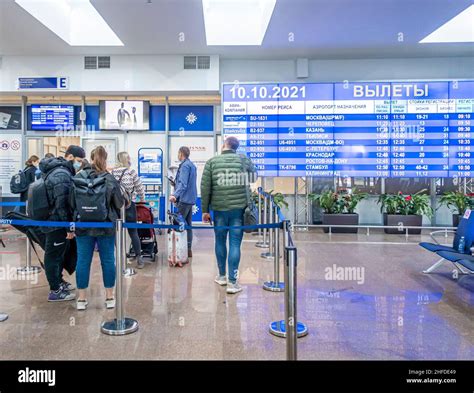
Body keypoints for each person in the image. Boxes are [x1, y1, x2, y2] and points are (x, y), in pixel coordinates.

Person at [201, 137, 257, 294]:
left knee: (219, 241)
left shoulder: (212, 162)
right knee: (234, 244)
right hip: (238, 210)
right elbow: (254, 177)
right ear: (236, 147)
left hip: (219, 209)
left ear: (223, 145)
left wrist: (205, 210)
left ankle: (221, 276)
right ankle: (233, 283)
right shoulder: (243, 159)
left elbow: (205, 187)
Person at [71, 146, 124, 311]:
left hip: (83, 226)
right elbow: (119, 203)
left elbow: (72, 203)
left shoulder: (78, 177)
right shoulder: (109, 178)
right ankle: (109, 297)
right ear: (105, 159)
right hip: (105, 226)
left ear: (91, 158)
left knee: (83, 261)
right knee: (108, 260)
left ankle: (81, 299)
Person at [39, 145, 85, 302]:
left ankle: (58, 281)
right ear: (70, 157)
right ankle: (55, 290)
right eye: (78, 160)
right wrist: (69, 227)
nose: (79, 164)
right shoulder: (61, 174)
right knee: (53, 255)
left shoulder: (58, 170)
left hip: (52, 220)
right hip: (55, 222)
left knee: (58, 254)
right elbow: (62, 204)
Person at [112, 151, 146, 268]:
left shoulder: (112, 172)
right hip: (129, 205)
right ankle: (139, 258)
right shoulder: (131, 172)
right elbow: (139, 188)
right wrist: (142, 198)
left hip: (115, 206)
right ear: (126, 159)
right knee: (133, 232)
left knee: (117, 231)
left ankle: (120, 256)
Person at [169, 146, 197, 261]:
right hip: (190, 199)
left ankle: (179, 252)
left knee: (178, 224)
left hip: (184, 200)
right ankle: (188, 249)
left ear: (181, 153)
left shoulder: (185, 165)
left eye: (178, 153)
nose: (178, 155)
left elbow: (184, 184)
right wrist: (175, 184)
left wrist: (175, 195)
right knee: (188, 225)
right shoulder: (192, 165)